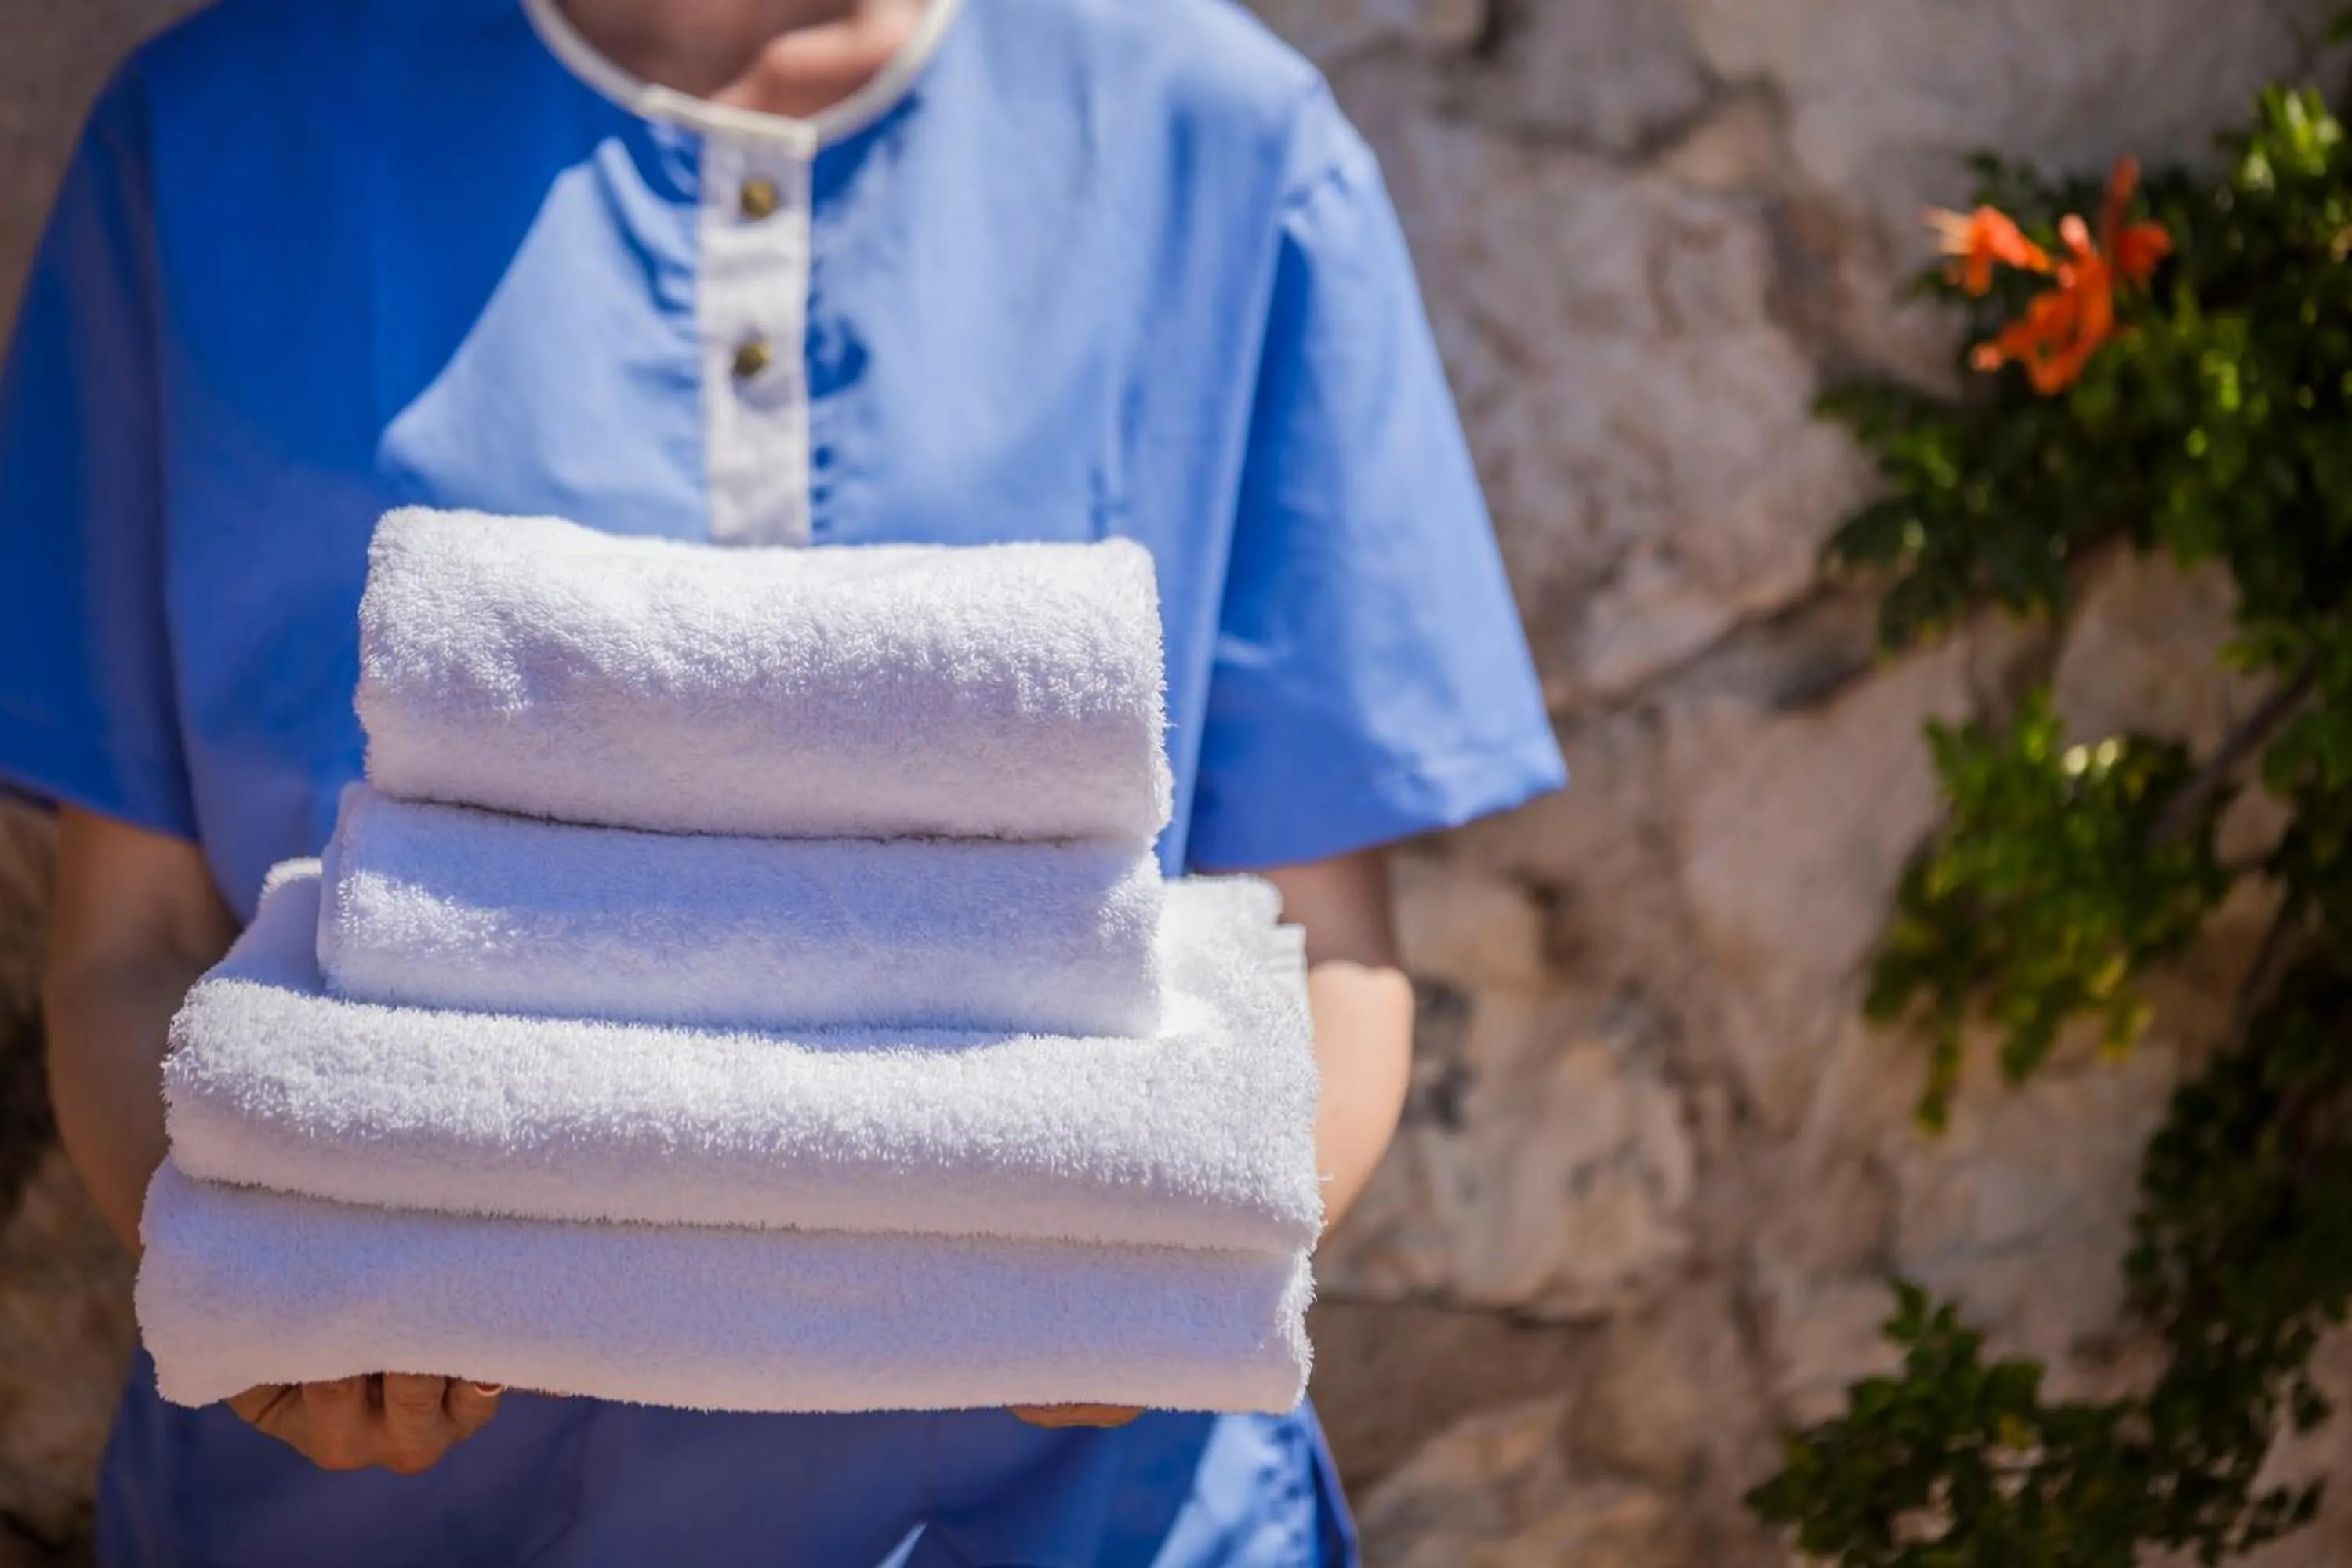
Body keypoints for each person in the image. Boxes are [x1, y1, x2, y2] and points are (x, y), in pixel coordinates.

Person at [0, 0, 1565, 1561]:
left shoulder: (1216, 138)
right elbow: (126, 948)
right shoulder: (219, 138)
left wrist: (1155, 1284)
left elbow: (1326, 951)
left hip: (1079, 1521)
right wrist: (275, 1291)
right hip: (374, 1517)